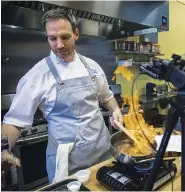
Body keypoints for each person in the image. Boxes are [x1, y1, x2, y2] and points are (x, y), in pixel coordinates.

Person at [1, 8, 123, 183]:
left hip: (103, 154)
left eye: (65, 37)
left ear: (76, 34)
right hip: (68, 163)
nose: (59, 45)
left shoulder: (92, 67)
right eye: (53, 38)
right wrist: (2, 149)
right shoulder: (36, 76)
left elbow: (106, 97)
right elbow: (14, 121)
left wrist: (115, 110)